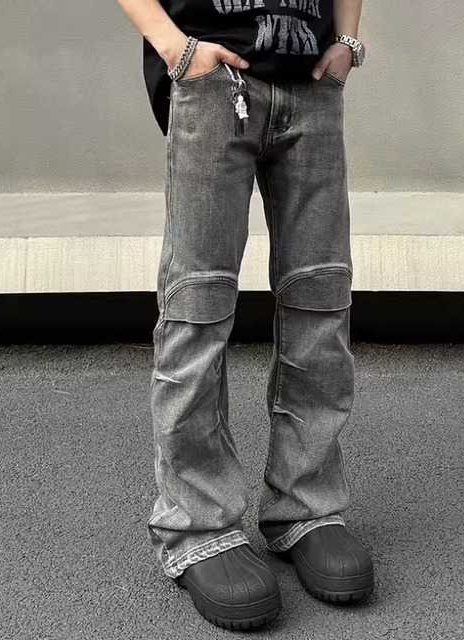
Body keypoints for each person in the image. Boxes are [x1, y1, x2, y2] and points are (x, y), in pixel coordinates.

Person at [116, 0, 373, 630]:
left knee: (321, 298)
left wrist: (347, 43)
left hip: (312, 85)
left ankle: (306, 506)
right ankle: (197, 525)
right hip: (214, 83)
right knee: (198, 306)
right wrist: (175, 47)